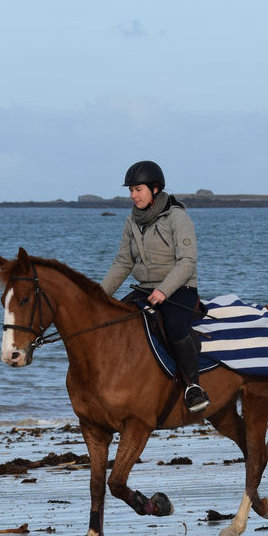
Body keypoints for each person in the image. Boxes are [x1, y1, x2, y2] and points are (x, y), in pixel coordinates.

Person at [100, 160, 210, 413]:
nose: (133, 195)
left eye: (138, 189)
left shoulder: (177, 217)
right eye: (131, 190)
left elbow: (187, 261)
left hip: (179, 289)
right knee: (114, 322)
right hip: (144, 288)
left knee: (173, 326)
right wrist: (98, 296)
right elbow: (123, 262)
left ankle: (193, 387)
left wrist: (164, 290)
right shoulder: (132, 221)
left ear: (155, 189)